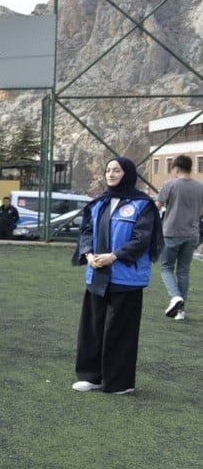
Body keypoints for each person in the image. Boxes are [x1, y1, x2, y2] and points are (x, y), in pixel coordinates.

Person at [71, 157, 162, 395]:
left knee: (119, 331)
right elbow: (86, 232)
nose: (111, 174)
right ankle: (91, 377)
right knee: (92, 328)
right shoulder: (98, 203)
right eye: (108, 170)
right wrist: (88, 254)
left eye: (117, 170)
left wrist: (114, 256)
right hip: (97, 274)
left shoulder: (143, 205)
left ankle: (119, 383)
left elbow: (142, 238)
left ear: (128, 174)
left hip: (126, 277)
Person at [154, 154, 203, 321]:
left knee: (166, 267)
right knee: (183, 271)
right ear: (190, 168)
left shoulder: (169, 184)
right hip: (192, 234)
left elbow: (157, 207)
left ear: (175, 169)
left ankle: (175, 297)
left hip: (171, 233)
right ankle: (181, 311)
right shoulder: (200, 187)